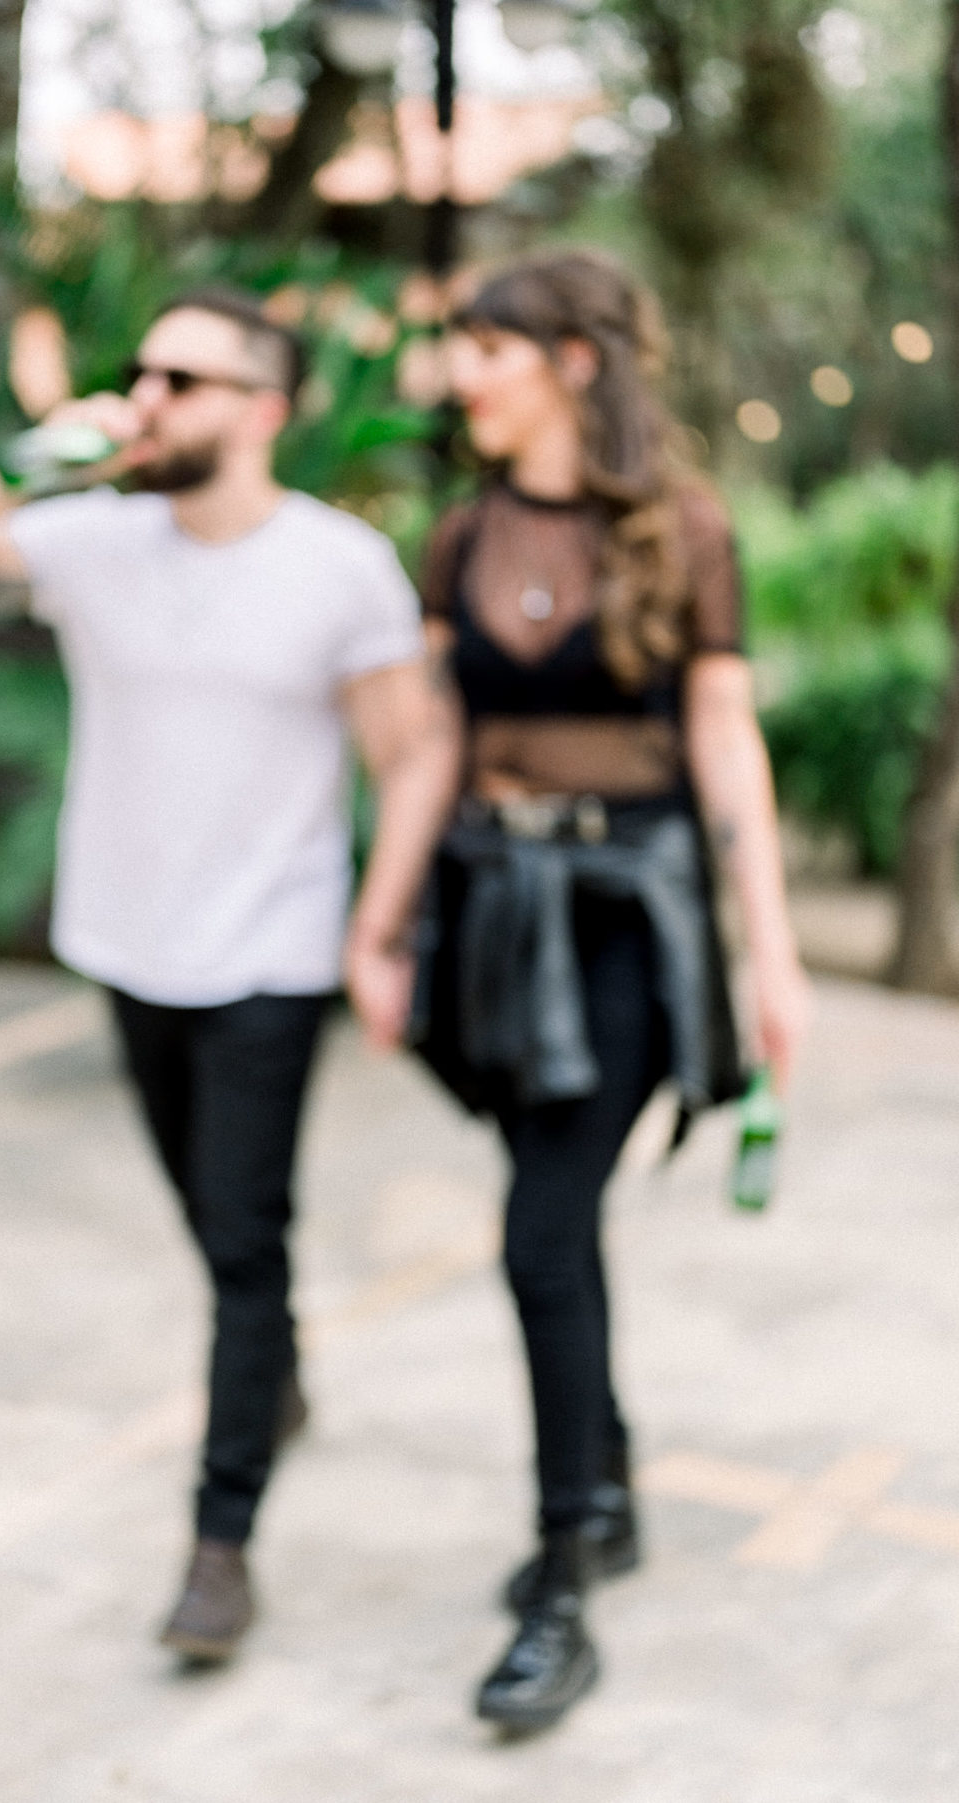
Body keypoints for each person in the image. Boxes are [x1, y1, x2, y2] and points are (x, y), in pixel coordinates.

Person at [0, 285, 460, 1663]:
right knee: (209, 1212)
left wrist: (376, 930)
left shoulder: (338, 567)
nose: (148, 396)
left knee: (243, 1242)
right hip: (127, 941)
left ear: (263, 411)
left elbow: (411, 752)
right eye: (142, 372)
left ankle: (221, 1544)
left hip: (271, 953)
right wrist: (38, 455)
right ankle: (281, 1373)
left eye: (184, 381)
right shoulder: (90, 539)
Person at [411, 250, 811, 1733]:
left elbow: (724, 741)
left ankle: (564, 1579)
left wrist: (773, 953)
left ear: (573, 361)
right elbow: (434, 746)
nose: (461, 375)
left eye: (487, 348)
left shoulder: (684, 529)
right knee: (554, 1217)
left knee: (539, 1231)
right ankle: (613, 1480)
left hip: (631, 920)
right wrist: (381, 931)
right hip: (490, 918)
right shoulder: (460, 536)